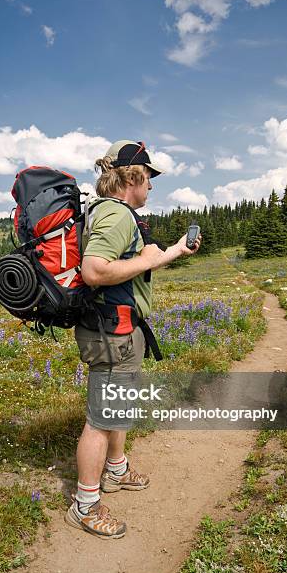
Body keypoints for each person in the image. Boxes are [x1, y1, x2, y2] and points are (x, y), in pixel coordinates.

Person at [65, 140, 201, 539]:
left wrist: (173, 251)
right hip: (111, 333)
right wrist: (146, 258)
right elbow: (94, 270)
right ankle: (85, 506)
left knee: (118, 406)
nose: (152, 188)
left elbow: (131, 265)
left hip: (122, 330)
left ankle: (117, 469)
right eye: (149, 179)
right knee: (100, 420)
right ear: (133, 177)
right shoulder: (117, 216)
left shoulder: (111, 213)